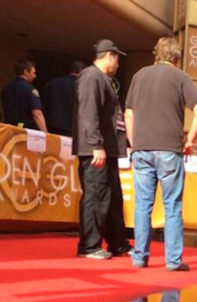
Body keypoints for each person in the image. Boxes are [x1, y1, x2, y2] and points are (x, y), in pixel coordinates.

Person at [124, 37, 197, 271]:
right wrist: (190, 141)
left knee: (143, 205)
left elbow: (128, 114)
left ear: (156, 55)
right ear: (177, 59)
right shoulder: (180, 77)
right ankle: (173, 261)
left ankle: (140, 258)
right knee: (172, 206)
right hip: (169, 150)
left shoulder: (139, 76)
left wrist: (134, 143)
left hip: (142, 149)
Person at [73, 40, 132, 260]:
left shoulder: (102, 79)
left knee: (112, 198)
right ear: (110, 56)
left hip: (108, 148)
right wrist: (96, 144)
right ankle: (89, 246)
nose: (118, 64)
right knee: (95, 196)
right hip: (96, 149)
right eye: (117, 59)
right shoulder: (91, 77)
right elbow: (88, 113)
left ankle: (118, 243)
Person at [1, 59, 47, 132]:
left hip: (10, 129)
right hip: (26, 131)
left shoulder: (6, 89)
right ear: (26, 72)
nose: (35, 76)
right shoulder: (30, 90)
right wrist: (45, 133)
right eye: (33, 73)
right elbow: (37, 114)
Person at [43, 60, 85, 136]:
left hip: (51, 125)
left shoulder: (53, 83)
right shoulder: (82, 87)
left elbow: (44, 105)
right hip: (71, 128)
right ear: (82, 71)